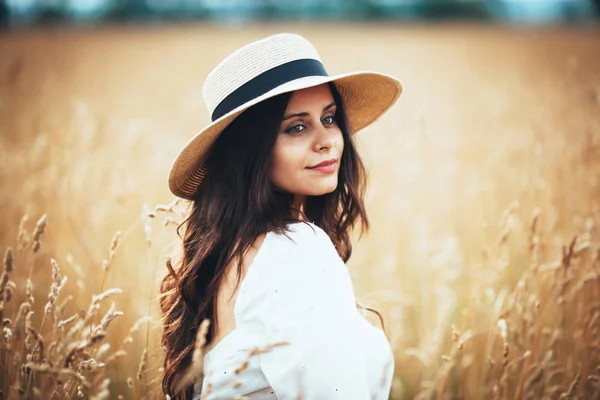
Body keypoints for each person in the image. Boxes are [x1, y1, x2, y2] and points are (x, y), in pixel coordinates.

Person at [159, 32, 403, 399]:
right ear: (250, 152)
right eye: (297, 127)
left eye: (330, 118)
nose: (327, 140)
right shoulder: (295, 251)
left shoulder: (228, 251)